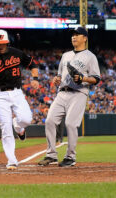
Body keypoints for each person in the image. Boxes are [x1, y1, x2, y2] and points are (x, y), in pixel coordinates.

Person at [38, 27, 101, 167]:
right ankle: (51, 155)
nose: (74, 37)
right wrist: (57, 79)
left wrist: (84, 78)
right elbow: (60, 74)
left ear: (85, 38)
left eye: (77, 34)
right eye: (73, 35)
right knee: (49, 121)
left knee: (71, 124)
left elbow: (96, 78)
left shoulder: (90, 56)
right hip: (62, 93)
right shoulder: (65, 55)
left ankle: (70, 157)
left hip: (79, 93)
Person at [0, 29, 39, 170]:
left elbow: (32, 64)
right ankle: (11, 160)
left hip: (17, 92)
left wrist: (35, 78)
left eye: (3, 43)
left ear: (7, 42)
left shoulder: (16, 53)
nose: (1, 46)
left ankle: (18, 126)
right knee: (5, 128)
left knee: (26, 119)